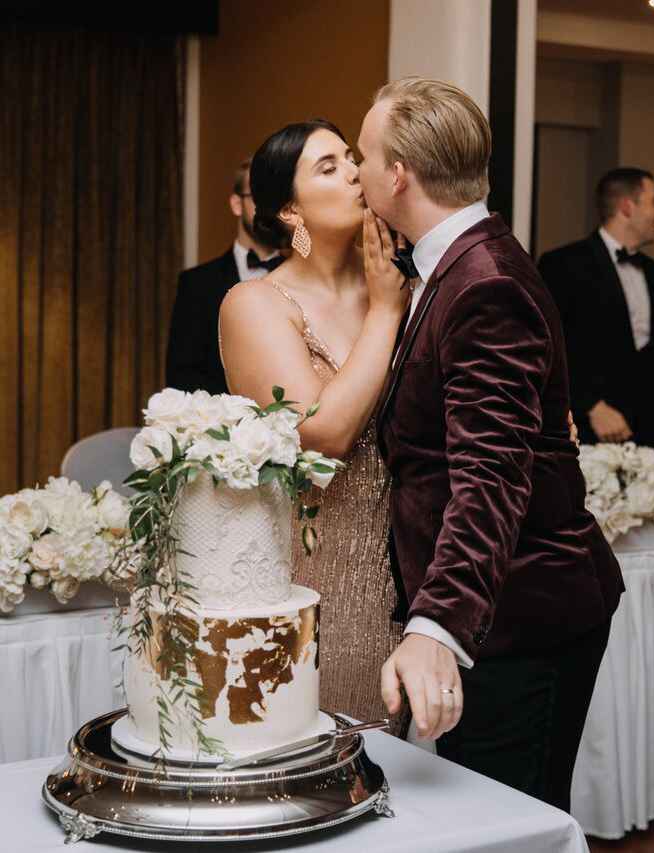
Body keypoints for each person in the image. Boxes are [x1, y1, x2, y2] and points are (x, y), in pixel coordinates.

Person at [356, 77, 624, 813]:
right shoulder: (458, 263)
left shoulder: (484, 283)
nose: (358, 171)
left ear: (399, 174)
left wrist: (437, 623)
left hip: (524, 616)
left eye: (364, 155)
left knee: (509, 825)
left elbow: (491, 478)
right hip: (502, 611)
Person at [217, 120, 411, 731]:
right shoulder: (255, 305)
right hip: (324, 573)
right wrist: (385, 312)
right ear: (289, 210)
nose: (355, 172)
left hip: (419, 566)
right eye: (328, 167)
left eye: (352, 159)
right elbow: (323, 435)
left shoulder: (406, 279)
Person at [538, 167, 654, 457]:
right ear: (627, 206)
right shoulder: (562, 266)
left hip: (651, 443)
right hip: (586, 436)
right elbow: (546, 349)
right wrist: (590, 407)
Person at [166, 158, 283, 394]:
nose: (269, 207)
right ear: (237, 204)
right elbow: (181, 378)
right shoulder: (196, 284)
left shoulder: (306, 275)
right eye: (259, 195)